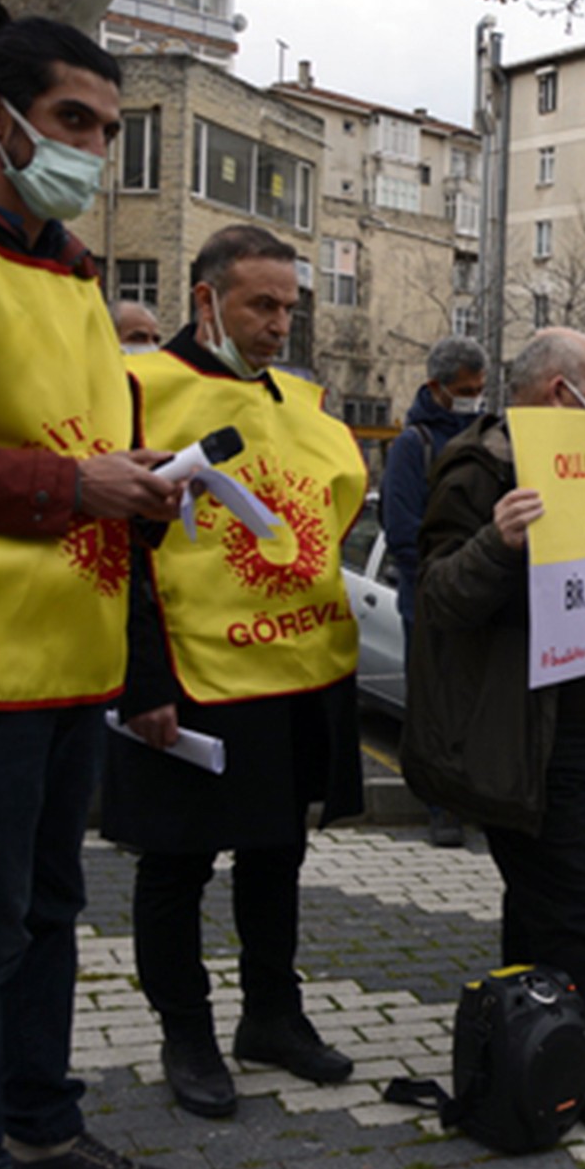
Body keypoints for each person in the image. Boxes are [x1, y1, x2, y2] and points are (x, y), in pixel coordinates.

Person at [0, 5, 185, 1169]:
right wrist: (69, 489)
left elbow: (85, 439)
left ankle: (38, 1123)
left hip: (69, 648)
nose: (92, 148)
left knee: (48, 910)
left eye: (111, 128)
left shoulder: (77, 272)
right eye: (74, 121)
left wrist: (136, 479)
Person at [104, 225, 366, 1123]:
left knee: (277, 853)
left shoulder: (302, 400)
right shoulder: (136, 390)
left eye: (289, 306)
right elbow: (111, 550)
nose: (278, 323)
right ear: (205, 296)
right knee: (176, 863)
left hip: (293, 671)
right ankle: (186, 1034)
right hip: (188, 671)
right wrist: (139, 682)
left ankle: (273, 1015)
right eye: (262, 304)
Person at [402, 327, 585, 1144]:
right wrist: (499, 541)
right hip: (520, 737)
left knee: (541, 908)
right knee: (573, 901)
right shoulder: (479, 467)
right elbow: (439, 595)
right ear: (562, 392)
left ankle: (527, 1043)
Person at [382, 335, 488, 847]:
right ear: (437, 387)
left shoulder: (490, 435)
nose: (474, 398)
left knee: (475, 701)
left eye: (481, 389)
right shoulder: (414, 444)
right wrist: (442, 580)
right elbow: (402, 529)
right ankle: (439, 804)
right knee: (433, 701)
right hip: (429, 596)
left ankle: (472, 794)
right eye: (465, 390)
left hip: (482, 592)